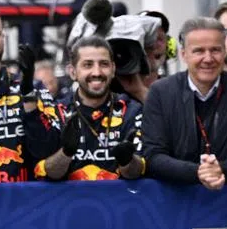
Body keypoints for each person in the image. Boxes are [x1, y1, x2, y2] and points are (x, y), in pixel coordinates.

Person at [141, 17, 227, 189]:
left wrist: (221, 170)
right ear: (183, 54)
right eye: (199, 51)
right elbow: (153, 156)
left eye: (215, 50)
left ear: (224, 52)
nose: (208, 59)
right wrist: (199, 173)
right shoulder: (160, 92)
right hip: (177, 204)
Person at [0, 6, 59, 183]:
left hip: (24, 205)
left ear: (4, 39)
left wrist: (29, 101)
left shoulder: (32, 88)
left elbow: (50, 154)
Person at [34, 36, 144, 181]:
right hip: (69, 202)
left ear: (113, 69)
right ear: (72, 72)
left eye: (104, 64)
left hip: (118, 202)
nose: (97, 72)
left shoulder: (132, 111)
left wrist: (127, 161)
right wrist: (66, 153)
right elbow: (49, 174)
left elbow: (138, 172)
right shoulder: (56, 112)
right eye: (88, 65)